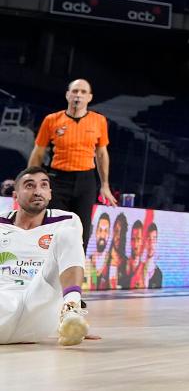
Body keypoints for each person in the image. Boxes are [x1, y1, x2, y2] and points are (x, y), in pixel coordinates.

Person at [0, 166, 91, 346]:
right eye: (29, 185)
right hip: (3, 304)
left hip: (41, 309)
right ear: (15, 196)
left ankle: (71, 311)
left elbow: (70, 258)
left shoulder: (67, 220)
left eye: (43, 185)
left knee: (68, 234)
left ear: (50, 194)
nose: (37, 191)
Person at [29, 78, 118, 247]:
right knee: (55, 232)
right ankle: (51, 272)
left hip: (86, 181)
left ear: (90, 97)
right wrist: (29, 181)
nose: (79, 95)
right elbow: (38, 152)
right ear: (67, 95)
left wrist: (105, 185)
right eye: (75, 91)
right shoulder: (51, 120)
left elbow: (101, 154)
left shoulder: (99, 121)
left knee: (80, 234)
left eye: (83, 92)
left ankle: (75, 273)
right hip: (57, 180)